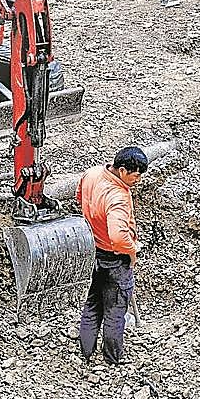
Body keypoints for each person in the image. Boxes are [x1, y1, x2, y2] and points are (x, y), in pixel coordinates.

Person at [77, 146, 148, 364]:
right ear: (123, 170)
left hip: (93, 253)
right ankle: (113, 359)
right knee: (116, 311)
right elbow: (118, 236)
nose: (137, 180)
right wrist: (132, 250)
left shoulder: (92, 174)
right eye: (135, 175)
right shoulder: (118, 196)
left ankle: (86, 353)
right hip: (114, 258)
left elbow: (79, 196)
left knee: (93, 303)